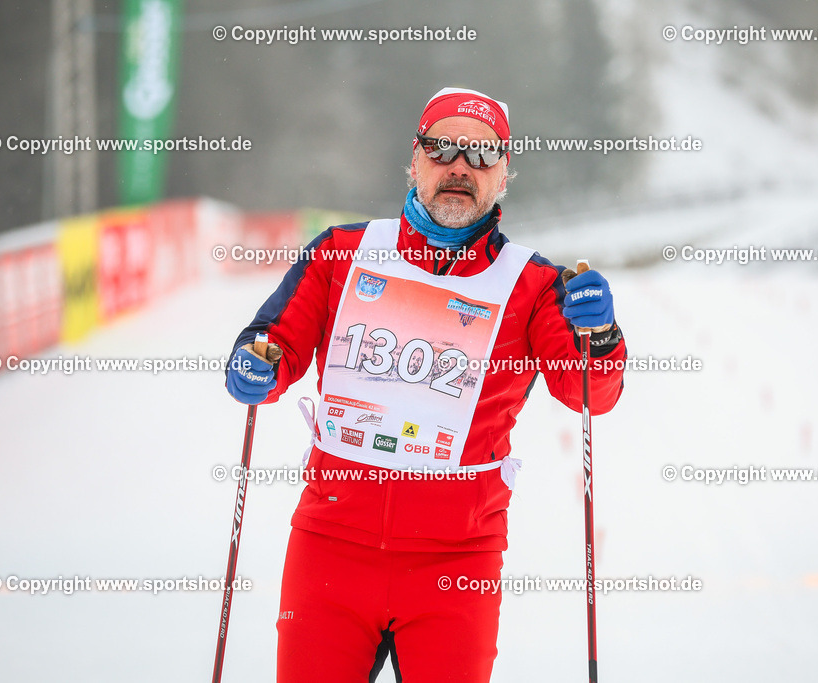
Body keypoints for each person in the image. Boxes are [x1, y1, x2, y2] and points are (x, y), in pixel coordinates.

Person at [226, 87, 627, 683]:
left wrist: (600, 335)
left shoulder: (533, 283)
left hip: (457, 563)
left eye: (482, 155)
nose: (460, 167)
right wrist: (253, 366)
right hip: (332, 545)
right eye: (442, 149)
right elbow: (271, 345)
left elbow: (590, 392)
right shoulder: (344, 253)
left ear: (503, 176)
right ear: (413, 161)